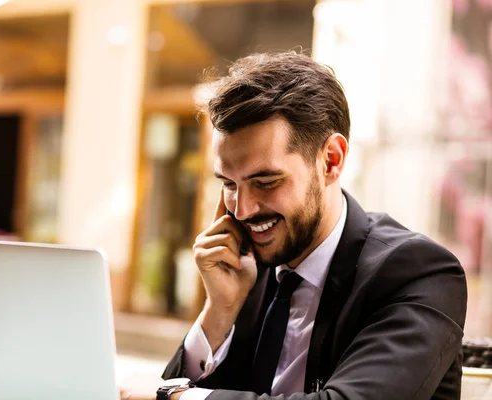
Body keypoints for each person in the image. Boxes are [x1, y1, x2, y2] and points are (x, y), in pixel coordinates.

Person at [119, 51, 467, 400]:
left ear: (331, 160)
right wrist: (219, 313)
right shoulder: (248, 271)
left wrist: (177, 397)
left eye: (266, 181)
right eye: (228, 184)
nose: (241, 210)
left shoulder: (419, 273)